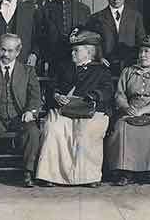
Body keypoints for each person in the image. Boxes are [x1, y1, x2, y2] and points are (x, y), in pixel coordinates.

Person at [35, 28, 112, 188]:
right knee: (54, 128)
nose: (72, 54)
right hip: (65, 110)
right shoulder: (64, 67)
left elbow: (107, 90)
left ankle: (88, 177)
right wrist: (56, 95)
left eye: (76, 50)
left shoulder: (101, 70)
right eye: (72, 50)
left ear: (89, 52)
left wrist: (93, 96)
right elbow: (52, 86)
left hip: (90, 112)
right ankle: (51, 175)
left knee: (85, 132)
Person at [0, 33, 42, 189]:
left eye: (10, 51)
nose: (5, 54)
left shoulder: (27, 71)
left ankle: (27, 172)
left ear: (18, 52)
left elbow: (35, 96)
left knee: (33, 132)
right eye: (3, 50)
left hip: (20, 118)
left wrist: (31, 111)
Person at [105, 32, 150, 185]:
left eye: (147, 52)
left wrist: (144, 110)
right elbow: (119, 94)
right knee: (122, 128)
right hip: (130, 109)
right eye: (141, 51)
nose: (142, 55)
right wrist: (126, 107)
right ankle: (124, 172)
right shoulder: (128, 71)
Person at [34, 0, 91, 74]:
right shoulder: (44, 9)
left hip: (78, 63)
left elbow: (88, 37)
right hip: (53, 63)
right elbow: (38, 37)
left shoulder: (83, 9)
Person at [90, 0, 144, 74]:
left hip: (130, 66)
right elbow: (94, 42)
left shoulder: (135, 16)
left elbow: (141, 40)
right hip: (106, 66)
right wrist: (100, 57)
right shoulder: (97, 18)